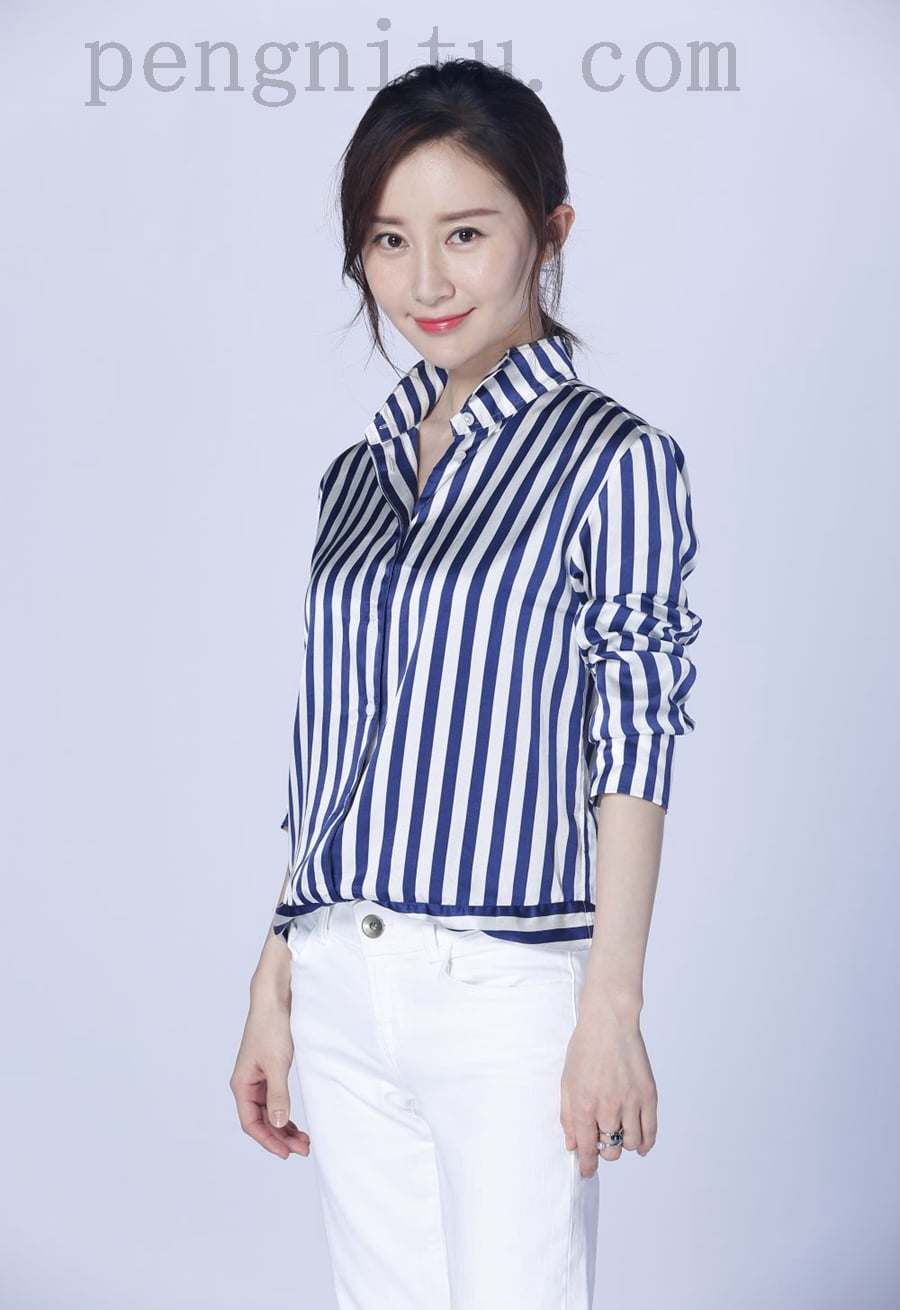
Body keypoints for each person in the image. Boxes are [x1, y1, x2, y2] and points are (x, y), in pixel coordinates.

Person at [230, 57, 702, 1310]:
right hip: (340, 972)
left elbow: (637, 738)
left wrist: (611, 1006)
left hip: (507, 985)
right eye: (390, 239)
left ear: (550, 230)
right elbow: (332, 739)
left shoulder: (616, 460)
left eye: (466, 233)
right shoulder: (355, 476)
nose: (425, 282)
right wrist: (274, 975)